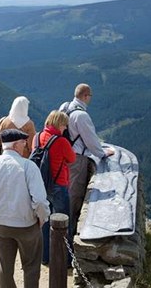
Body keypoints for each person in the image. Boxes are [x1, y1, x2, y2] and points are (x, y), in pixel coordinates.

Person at [0, 129, 50, 288]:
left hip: (0, 225)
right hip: (27, 225)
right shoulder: (28, 167)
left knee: (5, 268)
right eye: (23, 142)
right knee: (31, 267)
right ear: (16, 144)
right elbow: (39, 200)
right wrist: (42, 218)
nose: (25, 145)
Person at [59, 83, 115, 236]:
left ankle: (57, 228)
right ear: (85, 96)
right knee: (74, 196)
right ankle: (68, 233)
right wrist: (103, 153)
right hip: (77, 159)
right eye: (90, 96)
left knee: (62, 192)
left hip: (62, 156)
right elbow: (91, 140)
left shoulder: (65, 107)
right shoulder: (81, 115)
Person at [32, 110, 76, 265]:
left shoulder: (36, 138)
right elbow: (72, 158)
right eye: (65, 125)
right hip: (59, 186)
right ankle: (67, 259)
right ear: (59, 124)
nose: (65, 129)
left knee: (44, 220)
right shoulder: (61, 141)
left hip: (41, 185)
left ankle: (45, 257)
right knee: (64, 223)